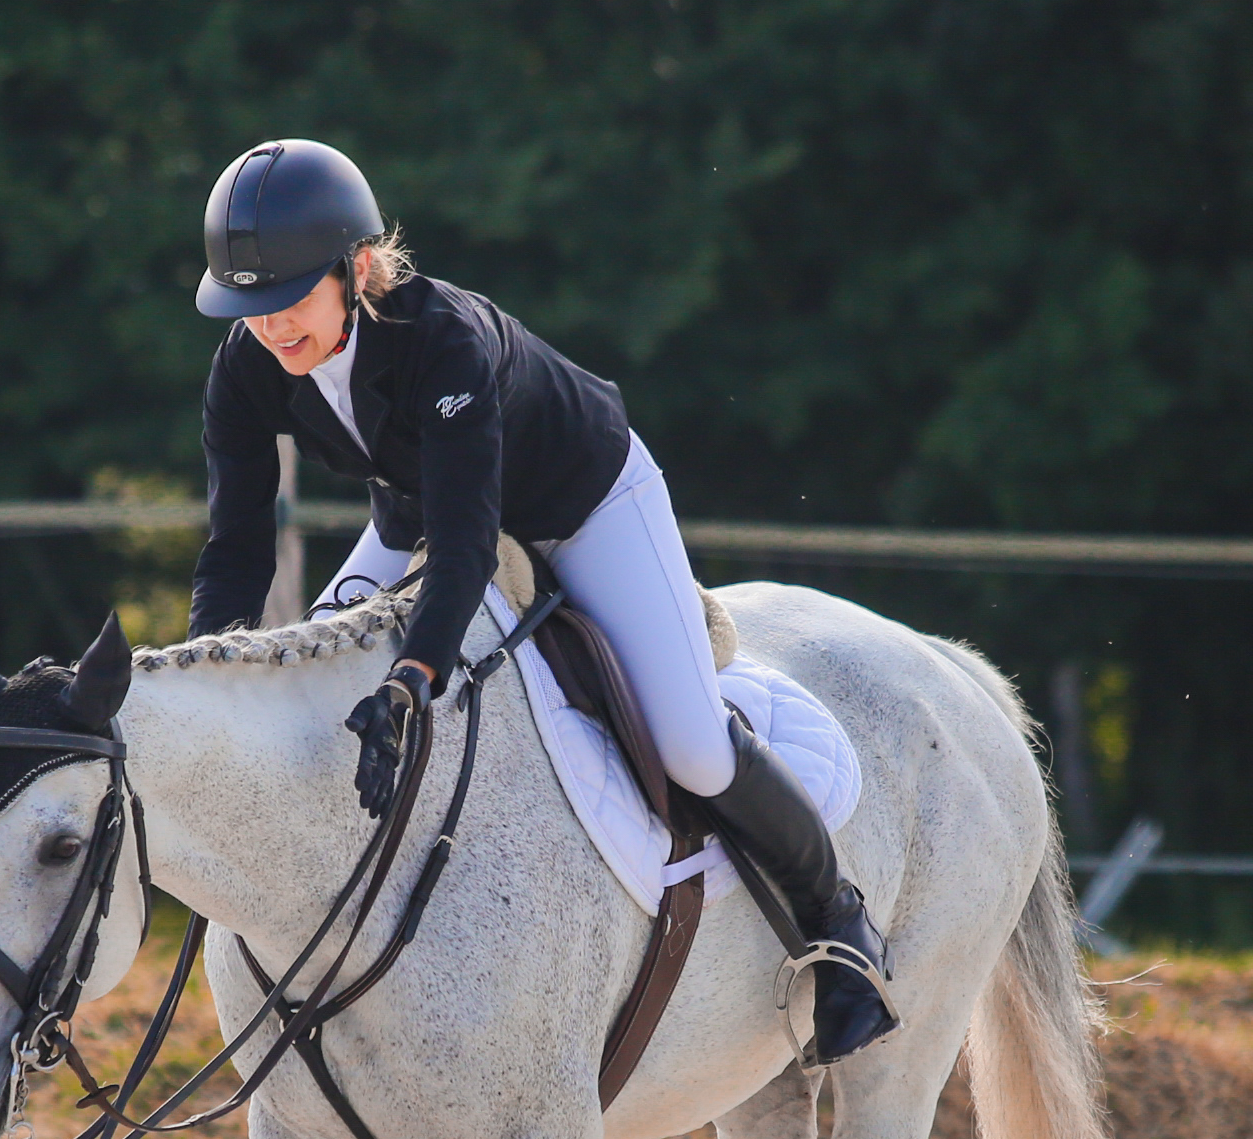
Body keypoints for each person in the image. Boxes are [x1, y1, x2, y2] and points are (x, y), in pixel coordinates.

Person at [184, 138, 895, 1064]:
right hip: (423, 509)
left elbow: (473, 551)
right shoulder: (245, 367)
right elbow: (234, 548)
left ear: (356, 268)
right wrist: (206, 675)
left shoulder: (442, 342)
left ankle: (841, 927)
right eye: (250, 306)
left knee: (690, 745)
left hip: (586, 502)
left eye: (288, 299)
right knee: (311, 685)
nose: (271, 328)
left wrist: (410, 679)